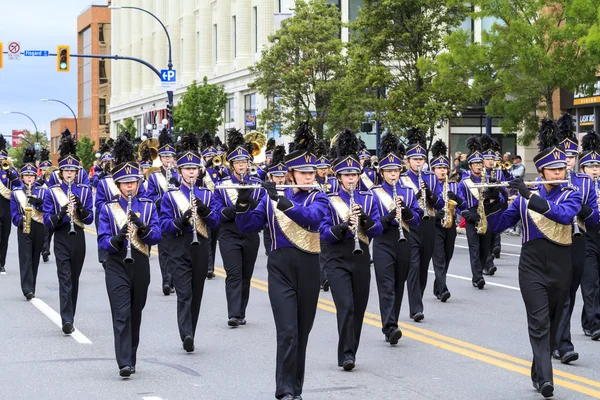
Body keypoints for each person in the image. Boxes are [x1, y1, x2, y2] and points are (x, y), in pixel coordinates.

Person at [485, 118, 580, 398]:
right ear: (541, 171)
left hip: (562, 265)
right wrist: (493, 202)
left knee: (551, 324)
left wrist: (527, 195)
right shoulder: (526, 198)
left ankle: (538, 371)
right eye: (553, 169)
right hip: (532, 266)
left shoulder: (570, 195)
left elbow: (562, 216)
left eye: (561, 168)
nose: (559, 172)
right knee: (538, 322)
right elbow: (497, 226)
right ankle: (548, 380)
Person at [235, 124, 328, 400]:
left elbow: (311, 218)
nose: (309, 177)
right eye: (303, 173)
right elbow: (247, 226)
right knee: (287, 330)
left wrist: (281, 201)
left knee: (302, 332)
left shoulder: (318, 196)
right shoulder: (268, 198)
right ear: (291, 174)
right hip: (279, 269)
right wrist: (242, 203)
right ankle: (284, 389)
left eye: (311, 173)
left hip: (309, 268)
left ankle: (296, 388)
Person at [97, 132, 161, 377]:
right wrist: (118, 236)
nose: (130, 186)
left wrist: (142, 229)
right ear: (118, 185)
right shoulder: (107, 208)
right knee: (121, 313)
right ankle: (123, 361)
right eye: (125, 183)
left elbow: (156, 236)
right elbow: (103, 241)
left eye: (133, 182)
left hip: (141, 262)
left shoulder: (146, 206)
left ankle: (131, 356)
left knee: (136, 311)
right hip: (116, 264)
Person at [320, 128, 383, 371]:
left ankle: (351, 349)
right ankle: (346, 354)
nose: (351, 179)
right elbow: (324, 232)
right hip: (336, 258)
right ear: (338, 176)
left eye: (354, 174)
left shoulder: (368, 199)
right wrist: (344, 227)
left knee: (358, 309)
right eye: (346, 174)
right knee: (345, 306)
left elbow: (377, 230)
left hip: (361, 258)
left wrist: (364, 220)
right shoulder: (328, 198)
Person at [160, 132, 220, 352]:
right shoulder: (170, 196)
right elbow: (164, 225)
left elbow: (216, 222)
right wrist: (182, 220)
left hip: (201, 247)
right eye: (187, 169)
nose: (191, 172)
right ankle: (186, 334)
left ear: (199, 170)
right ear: (180, 172)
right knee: (184, 293)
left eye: (194, 168)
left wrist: (206, 212)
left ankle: (191, 332)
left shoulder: (206, 194)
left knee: (197, 293)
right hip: (179, 247)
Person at [554, 117, 600, 366]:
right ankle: (563, 344)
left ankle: (559, 340)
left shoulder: (584, 183)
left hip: (578, 241)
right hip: (553, 243)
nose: (568, 161)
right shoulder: (549, 181)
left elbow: (594, 219)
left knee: (570, 293)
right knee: (560, 295)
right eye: (564, 156)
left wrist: (584, 212)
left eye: (571, 157)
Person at [371, 132, 421, 344]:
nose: (393, 175)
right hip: (383, 240)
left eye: (396, 171)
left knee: (399, 283)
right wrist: (389, 216)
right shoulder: (373, 193)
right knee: (386, 284)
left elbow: (417, 219)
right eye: (389, 171)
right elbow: (372, 221)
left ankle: (393, 321)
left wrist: (406, 212)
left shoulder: (409, 192)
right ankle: (389, 326)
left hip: (404, 240)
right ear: (382, 173)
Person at [43, 129, 94, 335]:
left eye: (73, 170)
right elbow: (47, 220)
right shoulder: (53, 190)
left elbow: (90, 218)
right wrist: (62, 213)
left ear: (77, 171)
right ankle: (67, 319)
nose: (70, 174)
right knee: (64, 278)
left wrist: (80, 208)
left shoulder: (83, 189)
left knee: (74, 278)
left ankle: (70, 312)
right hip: (62, 236)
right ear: (61, 172)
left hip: (78, 237)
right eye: (66, 171)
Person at [213, 128, 265, 327]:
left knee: (246, 275)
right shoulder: (223, 185)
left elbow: (261, 207)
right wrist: (236, 209)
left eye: (245, 162)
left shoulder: (256, 184)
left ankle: (241, 310)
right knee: (233, 273)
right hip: (229, 234)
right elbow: (217, 212)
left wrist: (248, 203)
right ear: (232, 165)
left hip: (250, 233)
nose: (242, 166)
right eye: (238, 163)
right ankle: (233, 313)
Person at [401, 127, 444, 322]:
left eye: (421, 159)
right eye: (415, 159)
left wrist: (431, 195)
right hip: (410, 226)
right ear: (408, 161)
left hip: (429, 223)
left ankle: (417, 297)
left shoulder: (431, 178)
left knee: (424, 265)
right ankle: (416, 307)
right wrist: (416, 196)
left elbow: (441, 203)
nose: (419, 162)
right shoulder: (401, 179)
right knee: (414, 265)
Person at [457, 136, 497, 289]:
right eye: (477, 163)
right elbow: (460, 201)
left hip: (486, 214)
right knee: (474, 248)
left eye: (481, 163)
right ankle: (477, 277)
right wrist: (467, 214)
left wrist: (494, 192)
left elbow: (498, 198)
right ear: (471, 165)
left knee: (485, 248)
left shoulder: (488, 179)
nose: (480, 166)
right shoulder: (464, 182)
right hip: (472, 215)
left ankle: (480, 269)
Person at [146, 129, 180, 295]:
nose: (167, 159)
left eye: (170, 156)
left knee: (177, 251)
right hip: (162, 217)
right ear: (160, 158)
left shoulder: (180, 174)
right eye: (165, 157)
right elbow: (151, 197)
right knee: (164, 251)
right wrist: (164, 197)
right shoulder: (154, 176)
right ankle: (166, 281)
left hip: (179, 218)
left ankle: (174, 279)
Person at [430, 139, 463, 302]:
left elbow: (462, 204)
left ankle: (438, 285)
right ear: (433, 170)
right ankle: (443, 289)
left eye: (444, 168)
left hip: (450, 225)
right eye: (439, 168)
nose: (442, 170)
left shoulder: (453, 185)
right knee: (439, 258)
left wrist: (456, 198)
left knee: (447, 256)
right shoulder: (429, 186)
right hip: (435, 225)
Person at [10, 147, 46, 300]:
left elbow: (49, 208)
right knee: (25, 258)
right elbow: (14, 214)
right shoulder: (16, 192)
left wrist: (40, 203)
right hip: (24, 227)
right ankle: (27, 289)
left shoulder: (43, 191)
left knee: (35, 258)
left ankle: (32, 285)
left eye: (32, 175)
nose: (30, 178)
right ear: (22, 177)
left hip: (39, 226)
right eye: (26, 176)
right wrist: (21, 221)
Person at [199, 131, 221, 279]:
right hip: (205, 206)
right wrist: (204, 167)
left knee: (214, 239)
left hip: (216, 208)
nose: (211, 159)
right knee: (207, 238)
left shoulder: (222, 170)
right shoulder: (201, 171)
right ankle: (208, 267)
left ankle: (211, 265)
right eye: (208, 157)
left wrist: (221, 171)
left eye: (213, 157)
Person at [0, 136, 22, 275]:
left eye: (3, 160)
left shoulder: (10, 172)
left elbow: (19, 186)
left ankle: (1, 263)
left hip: (6, 206)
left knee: (4, 236)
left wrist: (10, 174)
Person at [37, 148, 54, 263]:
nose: (45, 172)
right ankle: (45, 250)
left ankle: (45, 248)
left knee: (50, 232)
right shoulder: (38, 182)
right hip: (41, 211)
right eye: (43, 170)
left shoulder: (53, 182)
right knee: (45, 231)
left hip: (52, 210)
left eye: (47, 170)